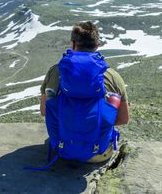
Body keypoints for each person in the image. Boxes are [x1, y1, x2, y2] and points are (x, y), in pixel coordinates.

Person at [39, 21, 130, 163]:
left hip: (63, 148)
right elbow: (123, 119)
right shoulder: (113, 76)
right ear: (97, 46)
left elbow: (45, 111)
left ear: (73, 44)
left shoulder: (56, 71)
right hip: (99, 153)